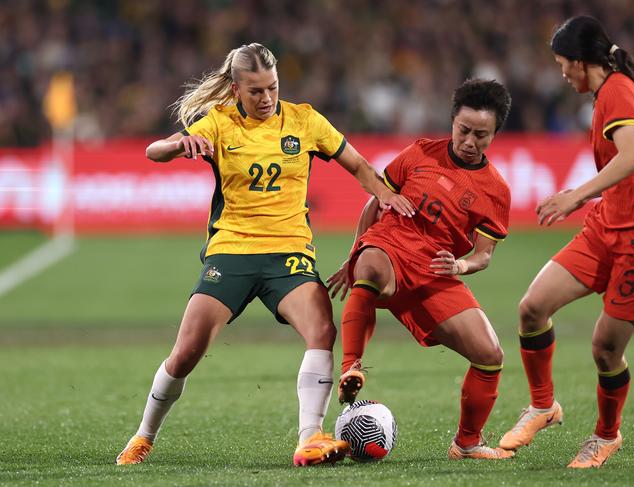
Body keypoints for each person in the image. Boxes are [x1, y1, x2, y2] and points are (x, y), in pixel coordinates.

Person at [115, 43, 415, 467]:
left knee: (321, 330)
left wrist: (385, 194)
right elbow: (154, 151)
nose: (266, 98)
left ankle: (310, 438)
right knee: (185, 353)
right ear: (236, 88)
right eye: (255, 91)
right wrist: (182, 144)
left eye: (272, 88)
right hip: (232, 251)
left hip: (288, 254)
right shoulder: (219, 122)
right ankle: (144, 436)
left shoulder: (304, 120)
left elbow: (359, 165)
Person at [327, 78, 513, 460]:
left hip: (435, 272)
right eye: (463, 130)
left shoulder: (496, 190)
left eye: (481, 135)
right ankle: (351, 368)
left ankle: (467, 444)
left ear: (495, 134)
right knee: (372, 266)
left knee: (490, 355)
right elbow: (377, 203)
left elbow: (484, 254)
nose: (469, 141)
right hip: (390, 248)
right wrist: (354, 254)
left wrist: (460, 264)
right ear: (452, 122)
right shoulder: (419, 153)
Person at [498, 16, 634, 468]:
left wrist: (575, 196)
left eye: (565, 65)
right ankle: (544, 406)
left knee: (605, 349)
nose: (562, 74)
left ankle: (606, 435)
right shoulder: (609, 91)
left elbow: (633, 157)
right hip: (607, 227)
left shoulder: (619, 93)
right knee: (532, 308)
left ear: (584, 63)